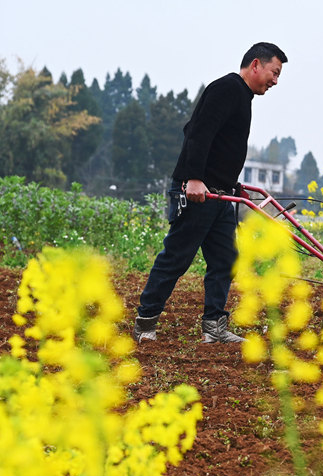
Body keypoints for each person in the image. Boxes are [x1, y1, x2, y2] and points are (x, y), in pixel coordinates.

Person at [133, 42, 287, 344]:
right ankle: (145, 322)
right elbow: (197, 132)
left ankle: (214, 327)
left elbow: (221, 144)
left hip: (220, 195)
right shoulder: (227, 89)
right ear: (255, 64)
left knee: (225, 260)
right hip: (197, 193)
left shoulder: (242, 96)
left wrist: (232, 182)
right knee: (176, 257)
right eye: (274, 73)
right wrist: (193, 178)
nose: (275, 81)